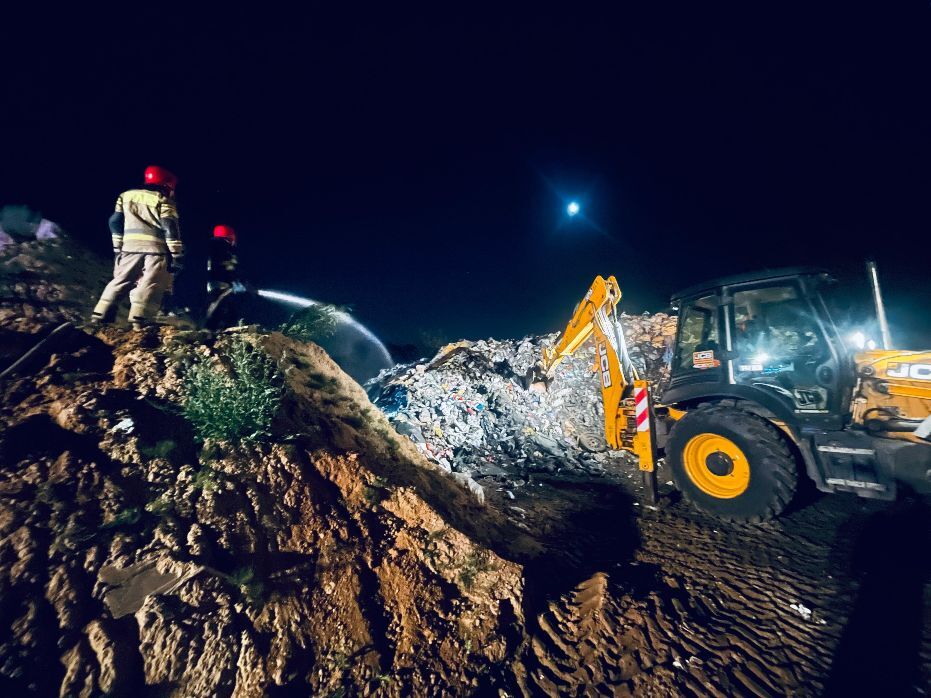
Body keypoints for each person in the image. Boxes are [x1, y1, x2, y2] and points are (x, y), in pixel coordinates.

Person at [90, 166, 182, 329]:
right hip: (155, 249)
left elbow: (115, 222)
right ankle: (140, 319)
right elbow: (170, 227)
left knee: (121, 280)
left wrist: (117, 248)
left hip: (129, 248)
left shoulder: (125, 196)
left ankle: (100, 314)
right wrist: (176, 254)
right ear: (167, 185)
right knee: (151, 282)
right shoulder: (162, 200)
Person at [204, 224, 248, 329]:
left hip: (216, 284)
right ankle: (213, 330)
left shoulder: (215, 248)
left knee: (219, 308)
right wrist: (238, 281)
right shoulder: (224, 249)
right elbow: (229, 267)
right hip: (223, 285)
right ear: (230, 238)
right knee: (223, 309)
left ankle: (215, 329)